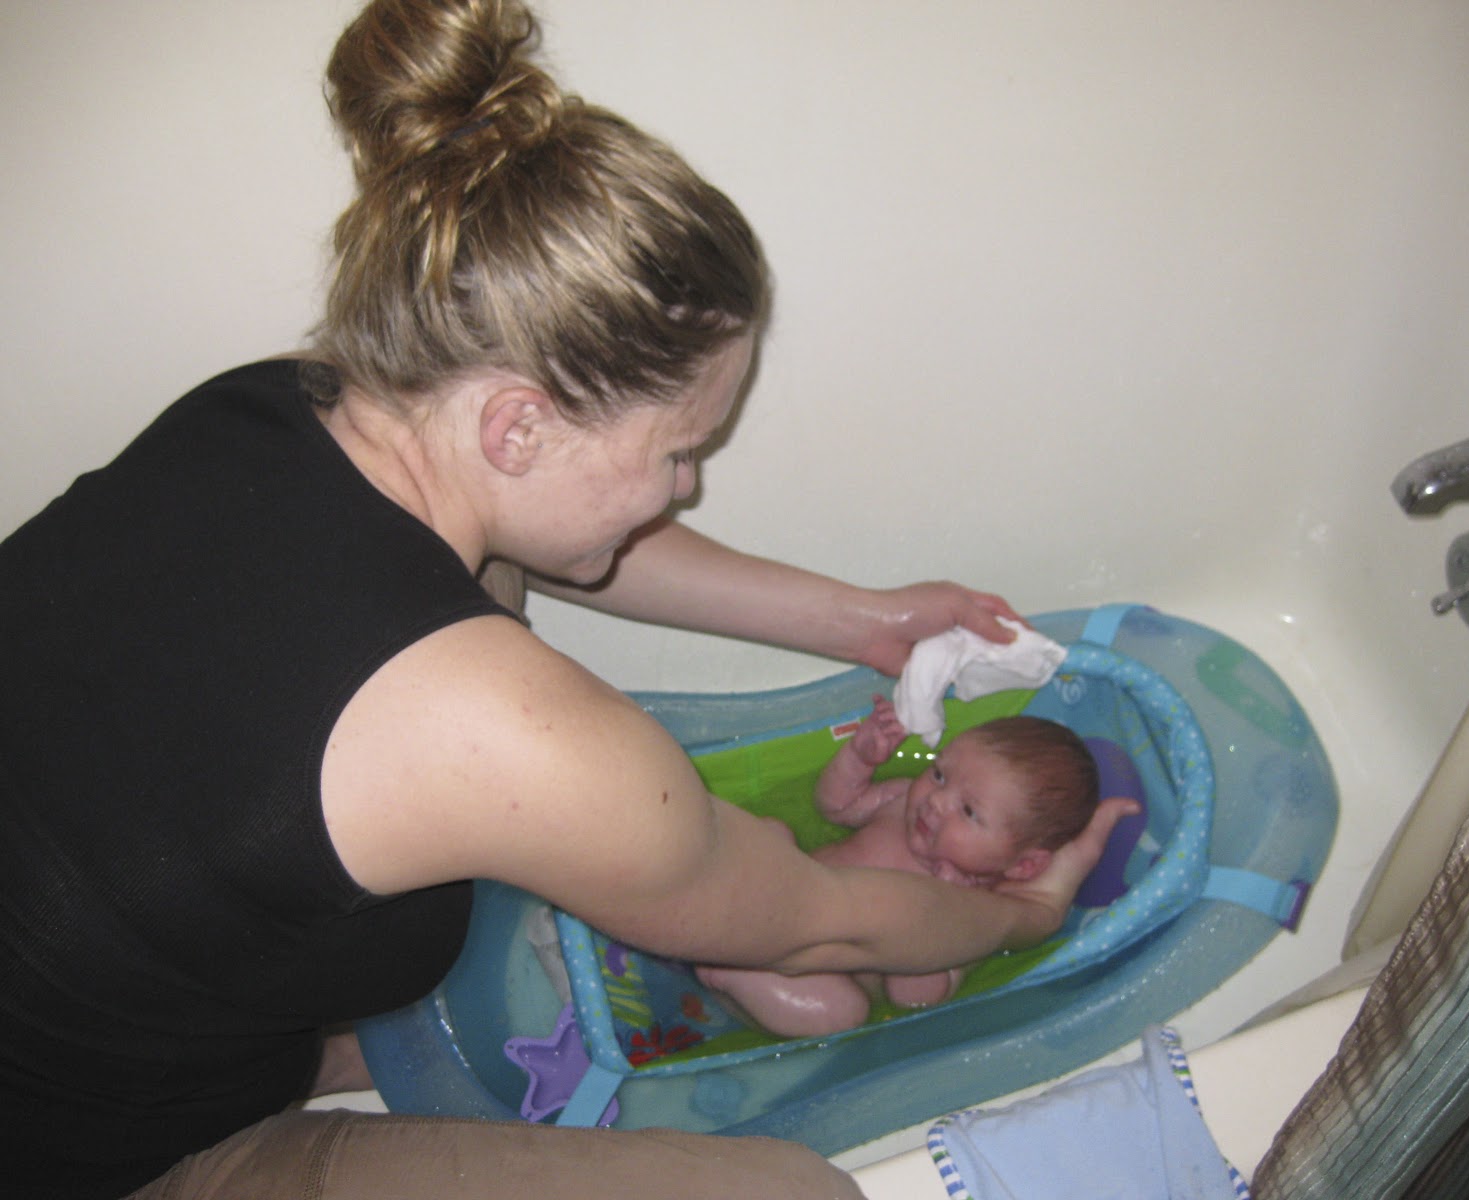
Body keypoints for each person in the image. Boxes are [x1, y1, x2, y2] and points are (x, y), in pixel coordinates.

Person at [0, 2, 1131, 1197]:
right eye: (680, 451)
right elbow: (826, 926)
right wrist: (1019, 922)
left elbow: (543, 534)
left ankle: (328, 1048)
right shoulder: (524, 743)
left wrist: (853, 619)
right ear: (521, 424)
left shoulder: (284, 403)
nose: (688, 485)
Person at [697, 698, 1130, 1038]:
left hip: (807, 969)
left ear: (1022, 864)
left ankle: (732, 969)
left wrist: (945, 910)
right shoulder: (902, 798)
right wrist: (859, 758)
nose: (936, 800)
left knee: (841, 1013)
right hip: (780, 889)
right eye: (941, 774)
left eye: (968, 810)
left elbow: (913, 998)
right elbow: (836, 806)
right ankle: (710, 889)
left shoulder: (977, 911)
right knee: (771, 831)